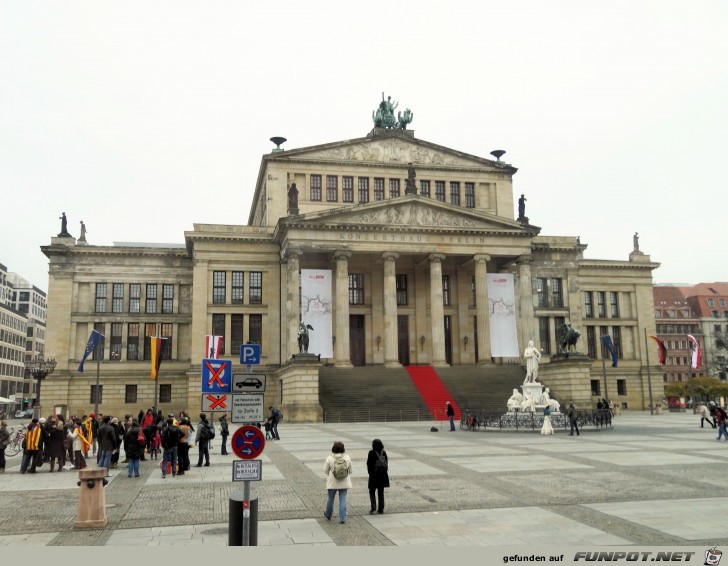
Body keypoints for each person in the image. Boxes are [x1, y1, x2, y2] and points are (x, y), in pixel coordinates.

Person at [323, 441, 352, 524]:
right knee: (343, 499)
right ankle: (342, 518)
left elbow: (325, 471)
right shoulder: (347, 457)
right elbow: (350, 471)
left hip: (332, 483)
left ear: (333, 449)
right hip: (344, 482)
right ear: (343, 449)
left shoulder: (329, 458)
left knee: (330, 499)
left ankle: (328, 514)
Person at [366, 439, 389, 514]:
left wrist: (370, 473)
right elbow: (386, 463)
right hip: (382, 475)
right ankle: (381, 508)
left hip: (374, 475)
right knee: (381, 492)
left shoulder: (371, 453)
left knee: (372, 491)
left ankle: (373, 507)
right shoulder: (384, 452)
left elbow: (369, 464)